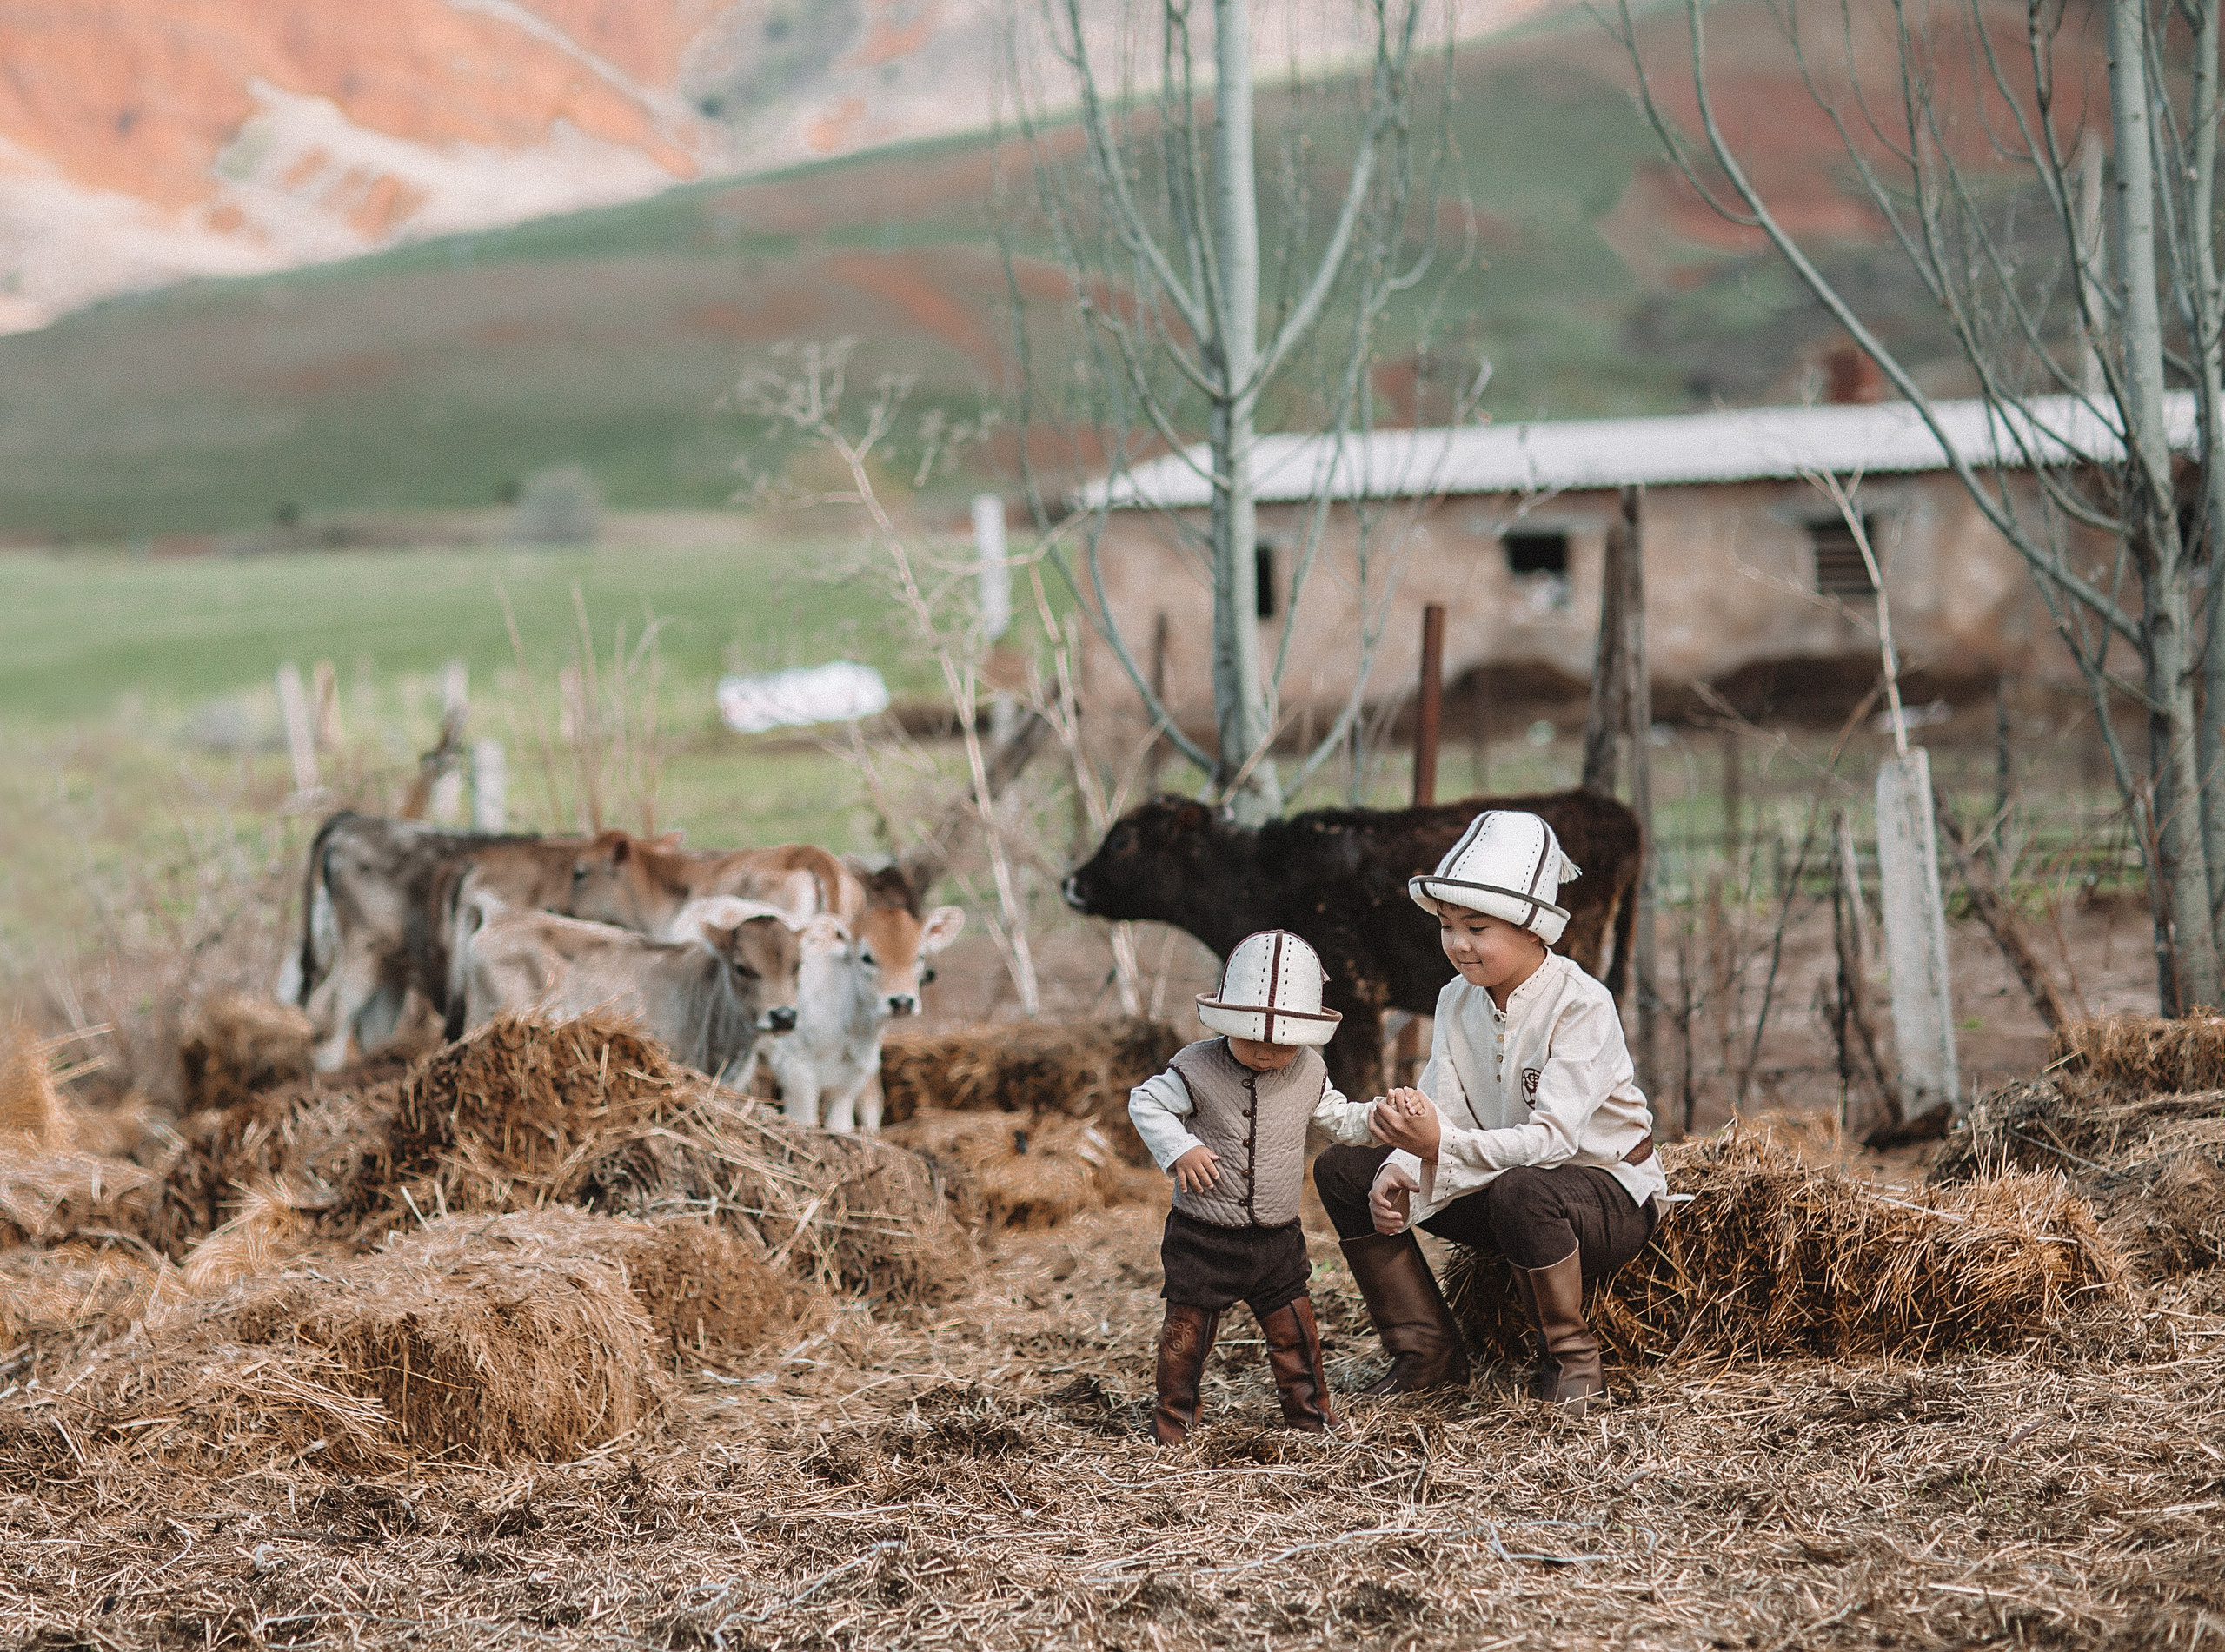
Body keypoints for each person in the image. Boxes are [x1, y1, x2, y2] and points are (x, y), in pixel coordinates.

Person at [1312, 810, 1666, 1416]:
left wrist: (1436, 1149)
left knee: (1524, 1190)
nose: (1456, 943)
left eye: (1476, 926)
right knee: (1345, 1169)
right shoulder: (1455, 997)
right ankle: (1426, 1353)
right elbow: (1443, 1102)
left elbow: (1554, 1141)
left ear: (1534, 930)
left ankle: (1572, 1361)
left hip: (1604, 1194)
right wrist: (1402, 1160)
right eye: (1447, 925)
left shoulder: (1581, 1004)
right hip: (1507, 1183)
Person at [1128, 930, 1381, 1445]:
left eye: (1281, 1043)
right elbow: (1146, 1103)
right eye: (1251, 1039)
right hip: (1203, 1234)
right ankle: (1173, 1421)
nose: (1266, 1053)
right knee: (1186, 1336)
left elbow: (1339, 1117)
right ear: (1227, 1024)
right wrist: (1180, 1148)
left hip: (1276, 1238)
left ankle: (1311, 1418)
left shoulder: (1309, 1071)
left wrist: (1381, 1119)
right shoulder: (1195, 1066)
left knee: (1296, 1333)